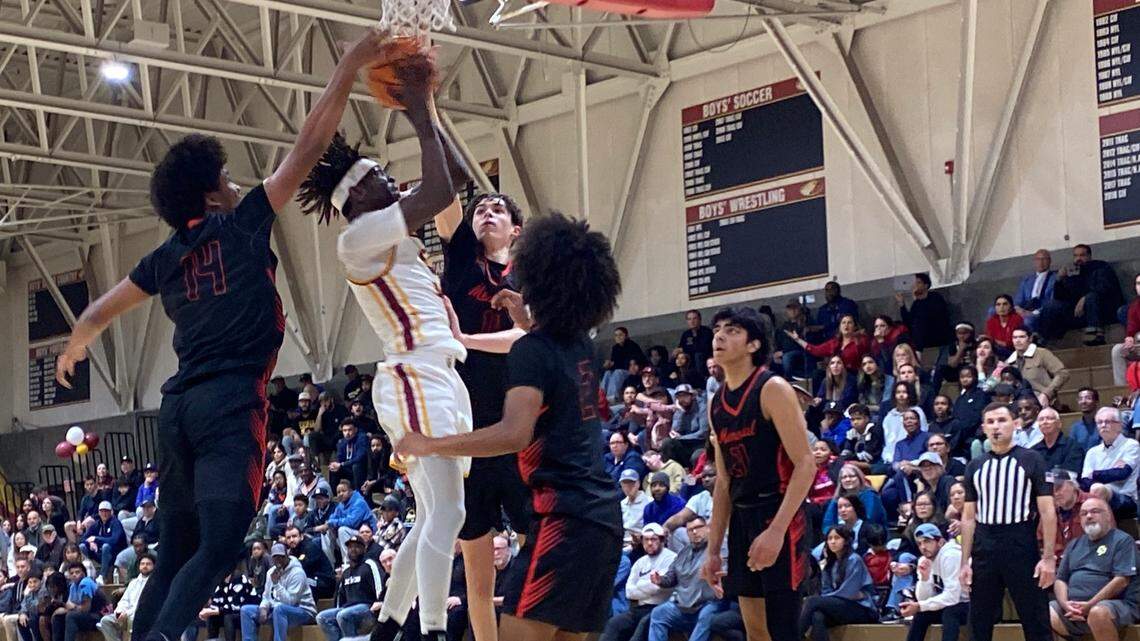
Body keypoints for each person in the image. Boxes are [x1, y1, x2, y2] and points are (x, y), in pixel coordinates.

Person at [53, 30, 392, 641]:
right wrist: (346, 64)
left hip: (177, 407)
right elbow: (312, 143)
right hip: (230, 404)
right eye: (229, 177)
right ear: (212, 193)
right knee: (222, 541)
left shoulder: (163, 257)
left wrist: (75, 345)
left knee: (180, 546)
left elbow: (99, 310)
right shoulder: (241, 223)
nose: (238, 184)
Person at [294, 49, 475, 641]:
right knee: (449, 514)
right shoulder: (358, 240)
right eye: (380, 180)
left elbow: (453, 185)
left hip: (436, 373)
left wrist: (432, 112)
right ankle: (430, 632)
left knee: (432, 516)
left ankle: (387, 629)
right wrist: (419, 109)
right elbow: (435, 191)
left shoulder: (381, 225)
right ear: (358, 199)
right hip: (414, 375)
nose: (393, 184)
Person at [395, 211, 624, 641]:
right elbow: (552, 344)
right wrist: (524, 320)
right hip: (604, 521)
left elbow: (513, 434)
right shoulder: (584, 347)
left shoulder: (531, 352)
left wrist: (431, 444)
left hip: (563, 519)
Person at [695, 307, 814, 641]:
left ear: (753, 345)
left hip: (780, 514)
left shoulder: (772, 388)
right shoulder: (715, 402)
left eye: (732, 330)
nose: (719, 336)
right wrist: (713, 550)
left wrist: (776, 531)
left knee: (783, 631)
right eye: (717, 329)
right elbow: (723, 480)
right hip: (743, 519)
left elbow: (806, 464)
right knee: (755, 632)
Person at [959, 402, 1056, 641]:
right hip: (984, 545)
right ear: (983, 427)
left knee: (1035, 618)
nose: (996, 427)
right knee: (979, 621)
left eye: (1002, 420)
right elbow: (969, 517)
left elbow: (1048, 512)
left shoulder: (1032, 459)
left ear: (1016, 424)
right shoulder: (975, 465)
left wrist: (1048, 557)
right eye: (990, 422)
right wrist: (964, 562)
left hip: (1020, 542)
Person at [1049, 497, 1140, 641]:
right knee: (1045, 612)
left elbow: (1121, 580)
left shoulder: (1123, 540)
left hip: (1116, 605)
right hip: (1075, 608)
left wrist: (1090, 605)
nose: (1089, 516)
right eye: (1084, 513)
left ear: (1108, 515)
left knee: (1098, 613)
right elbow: (1060, 579)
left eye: (1095, 511)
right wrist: (1065, 604)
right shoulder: (1074, 544)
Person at [646, 517, 726, 641]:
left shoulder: (718, 549)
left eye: (698, 528)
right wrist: (660, 580)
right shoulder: (683, 552)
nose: (694, 532)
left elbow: (724, 575)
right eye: (690, 530)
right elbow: (671, 577)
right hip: (683, 606)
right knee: (659, 613)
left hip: (709, 603)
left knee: (707, 614)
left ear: (708, 529)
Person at [796, 525, 878, 641]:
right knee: (817, 616)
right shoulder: (830, 564)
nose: (833, 542)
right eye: (829, 539)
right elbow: (826, 591)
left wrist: (822, 600)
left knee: (812, 601)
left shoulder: (854, 559)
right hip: (842, 606)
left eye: (837, 538)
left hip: (862, 609)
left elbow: (848, 592)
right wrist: (824, 600)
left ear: (846, 541)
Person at [599, 523, 675, 641]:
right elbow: (630, 592)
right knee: (614, 624)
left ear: (662, 540)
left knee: (639, 632)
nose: (649, 543)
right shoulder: (640, 562)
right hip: (640, 608)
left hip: (661, 607)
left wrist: (640, 586)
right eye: (646, 540)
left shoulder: (671, 558)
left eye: (653, 539)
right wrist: (648, 586)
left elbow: (659, 587)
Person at [1041, 243, 1124, 345]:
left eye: (1082, 255)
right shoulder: (1073, 272)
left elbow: (1105, 288)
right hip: (1078, 313)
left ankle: (1095, 334)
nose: (1078, 259)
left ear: (1089, 256)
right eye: (1075, 256)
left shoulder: (1101, 267)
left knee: (1091, 298)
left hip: (1101, 310)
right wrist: (1059, 279)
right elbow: (1061, 297)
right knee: (1051, 306)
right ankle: (1047, 340)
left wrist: (1085, 298)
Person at [898, 523, 968, 641]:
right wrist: (924, 580)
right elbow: (923, 599)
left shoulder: (951, 555)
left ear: (940, 542)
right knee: (921, 615)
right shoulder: (925, 560)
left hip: (972, 603)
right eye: (919, 543)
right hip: (952, 604)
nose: (923, 547)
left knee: (951, 612)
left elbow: (952, 597)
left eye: (927, 541)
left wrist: (919, 606)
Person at [239, 544, 315, 641]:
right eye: (275, 557)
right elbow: (266, 596)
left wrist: (276, 584)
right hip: (277, 610)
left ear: (286, 555)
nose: (278, 559)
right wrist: (263, 608)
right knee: (246, 610)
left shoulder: (297, 573)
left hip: (302, 611)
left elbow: (290, 602)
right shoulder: (271, 572)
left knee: (279, 609)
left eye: (281, 556)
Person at [315, 535, 382, 641]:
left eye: (356, 547)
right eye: (350, 547)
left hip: (368, 607)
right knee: (322, 617)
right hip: (348, 608)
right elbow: (339, 596)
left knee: (343, 615)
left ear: (363, 549)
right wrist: (337, 609)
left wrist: (380, 603)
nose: (353, 550)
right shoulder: (346, 572)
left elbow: (380, 584)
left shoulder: (370, 565)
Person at [1081, 406, 1140, 518]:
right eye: (1099, 422)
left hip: (1125, 498)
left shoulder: (1131, 445)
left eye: (1108, 422)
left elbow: (1123, 473)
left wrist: (1094, 474)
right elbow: (1084, 481)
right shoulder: (1092, 452)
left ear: (1119, 425)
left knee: (1099, 489)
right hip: (1095, 495)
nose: (1103, 425)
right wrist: (1112, 472)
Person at [1006, 328, 1069, 407]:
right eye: (1014, 337)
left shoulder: (1042, 354)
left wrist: (1047, 393)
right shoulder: (1009, 362)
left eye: (1022, 337)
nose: (1018, 340)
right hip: (1019, 404)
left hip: (1044, 402)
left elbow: (1063, 373)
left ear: (1030, 339)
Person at [96, 553, 153, 641]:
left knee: (132, 619)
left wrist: (127, 613)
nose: (145, 566)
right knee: (105, 621)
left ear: (153, 566)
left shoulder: (154, 584)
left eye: (148, 564)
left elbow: (143, 605)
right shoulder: (133, 582)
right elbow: (124, 600)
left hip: (141, 616)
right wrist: (120, 611)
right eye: (142, 564)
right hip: (125, 614)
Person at [787, 314, 870, 374]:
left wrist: (857, 335)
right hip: (837, 376)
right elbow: (816, 350)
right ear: (840, 327)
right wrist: (798, 339)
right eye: (843, 323)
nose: (846, 325)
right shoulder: (835, 342)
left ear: (854, 327)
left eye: (849, 323)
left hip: (853, 375)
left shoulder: (860, 340)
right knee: (817, 374)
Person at [897, 273, 954, 353]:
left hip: (940, 340)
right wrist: (902, 305)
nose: (915, 285)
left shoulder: (935, 297)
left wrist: (917, 299)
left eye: (918, 282)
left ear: (926, 285)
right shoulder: (916, 303)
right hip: (923, 345)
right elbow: (908, 321)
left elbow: (934, 315)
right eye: (914, 283)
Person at [52, 562, 106, 641]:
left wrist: (71, 607)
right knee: (58, 617)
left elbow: (85, 609)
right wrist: (64, 609)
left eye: (77, 572)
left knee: (71, 616)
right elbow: (69, 605)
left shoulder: (86, 583)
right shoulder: (73, 586)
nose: (74, 575)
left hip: (99, 616)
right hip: (84, 615)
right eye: (72, 573)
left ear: (84, 573)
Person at [80, 502, 124, 584]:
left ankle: (102, 576)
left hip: (113, 553)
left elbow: (114, 540)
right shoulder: (97, 524)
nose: (104, 514)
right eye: (102, 511)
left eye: (106, 511)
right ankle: (89, 572)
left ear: (111, 512)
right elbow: (83, 538)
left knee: (106, 546)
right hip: (99, 553)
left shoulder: (115, 523)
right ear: (99, 512)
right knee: (82, 546)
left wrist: (96, 539)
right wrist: (90, 543)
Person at [1013, 249, 1057, 333]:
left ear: (1050, 261)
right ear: (1034, 261)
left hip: (1042, 311)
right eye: (1038, 259)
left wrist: (1034, 313)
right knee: (993, 311)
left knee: (1028, 320)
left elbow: (1053, 301)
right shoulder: (1027, 280)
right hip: (1025, 309)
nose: (1041, 262)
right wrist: (1020, 310)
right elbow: (1018, 301)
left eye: (1044, 259)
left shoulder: (1055, 278)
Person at [1033, 408, 1085, 474]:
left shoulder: (1073, 447)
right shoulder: (1034, 450)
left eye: (1049, 418)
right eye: (1041, 419)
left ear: (1059, 424)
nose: (1045, 422)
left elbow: (1070, 475)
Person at [1111, 272, 1140, 386]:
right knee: (1118, 350)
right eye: (1138, 284)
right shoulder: (1135, 306)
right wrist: (1129, 338)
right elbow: (1131, 329)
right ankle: (1122, 387)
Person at [329, 419, 370, 494]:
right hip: (348, 469)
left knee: (356, 466)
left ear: (356, 430)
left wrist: (342, 464)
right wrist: (336, 464)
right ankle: (334, 495)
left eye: (350, 430)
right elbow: (339, 458)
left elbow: (359, 458)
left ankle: (359, 493)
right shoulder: (342, 442)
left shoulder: (362, 438)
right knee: (333, 468)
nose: (347, 433)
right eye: (344, 430)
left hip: (362, 470)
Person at [677, 311, 715, 375]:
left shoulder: (707, 332)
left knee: (698, 355)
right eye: (689, 319)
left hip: (704, 361)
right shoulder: (686, 334)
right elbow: (681, 347)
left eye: (694, 318)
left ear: (700, 320)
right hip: (689, 363)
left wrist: (684, 349)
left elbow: (703, 348)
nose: (692, 321)